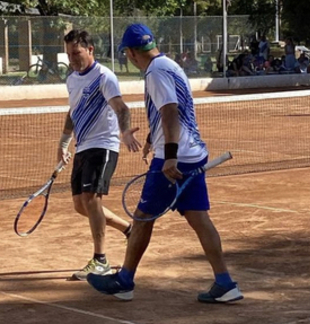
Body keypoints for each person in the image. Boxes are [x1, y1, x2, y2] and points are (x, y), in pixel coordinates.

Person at [87, 23, 243, 303]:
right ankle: (225, 282)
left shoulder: (155, 73)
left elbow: (170, 111)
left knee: (143, 218)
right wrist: (152, 137)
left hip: (174, 158)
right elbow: (171, 112)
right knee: (199, 219)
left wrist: (168, 154)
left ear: (132, 52)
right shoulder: (169, 65)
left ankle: (124, 281)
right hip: (192, 152)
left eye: (127, 54)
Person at [58, 29, 142, 280]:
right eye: (69, 54)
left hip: (104, 144)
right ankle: (129, 229)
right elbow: (73, 111)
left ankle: (100, 261)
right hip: (82, 146)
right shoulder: (72, 79)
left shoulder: (105, 77)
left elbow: (121, 107)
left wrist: (125, 131)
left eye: (76, 53)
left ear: (90, 49)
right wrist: (63, 142)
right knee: (80, 205)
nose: (72, 59)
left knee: (91, 198)